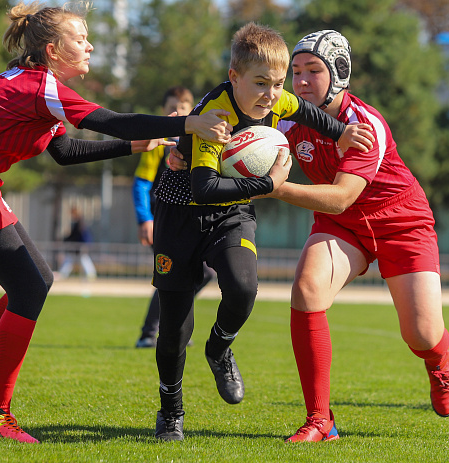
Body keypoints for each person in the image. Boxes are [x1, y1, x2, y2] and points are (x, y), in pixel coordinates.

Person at [0, 1, 230, 444]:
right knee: (30, 285)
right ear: (52, 49)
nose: (89, 46)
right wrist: (188, 121)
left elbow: (65, 152)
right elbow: (111, 121)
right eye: (80, 39)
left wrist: (135, 147)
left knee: (30, 282)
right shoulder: (38, 87)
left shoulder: (36, 88)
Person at [150, 22, 374, 441]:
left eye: (276, 82)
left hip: (231, 209)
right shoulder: (214, 116)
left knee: (243, 286)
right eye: (260, 83)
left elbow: (302, 109)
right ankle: (171, 411)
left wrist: (340, 130)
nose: (272, 94)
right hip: (181, 212)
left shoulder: (276, 95)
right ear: (234, 78)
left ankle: (219, 348)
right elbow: (203, 186)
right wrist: (269, 185)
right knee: (174, 328)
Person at [265, 30, 449, 442]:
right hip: (343, 226)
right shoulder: (286, 116)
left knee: (421, 335)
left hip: (401, 223)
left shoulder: (363, 123)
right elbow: (243, 131)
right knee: (306, 288)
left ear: (339, 72)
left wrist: (273, 188)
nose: (300, 81)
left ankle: (438, 361)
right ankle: (321, 420)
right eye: (295, 71)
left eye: (312, 71)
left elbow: (339, 197)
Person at [132, 86, 214, 348]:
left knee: (204, 273)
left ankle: (172, 327)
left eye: (182, 107)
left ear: (192, 110)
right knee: (171, 273)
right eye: (170, 107)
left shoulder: (199, 139)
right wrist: (145, 219)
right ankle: (150, 332)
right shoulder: (160, 141)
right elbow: (142, 183)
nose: (175, 112)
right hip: (164, 219)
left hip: (192, 218)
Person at [57, 206, 97, 280]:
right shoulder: (79, 222)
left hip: (80, 245)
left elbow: (78, 235)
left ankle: (91, 274)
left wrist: (65, 239)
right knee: (74, 259)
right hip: (80, 245)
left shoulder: (80, 223)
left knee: (81, 259)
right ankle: (63, 273)